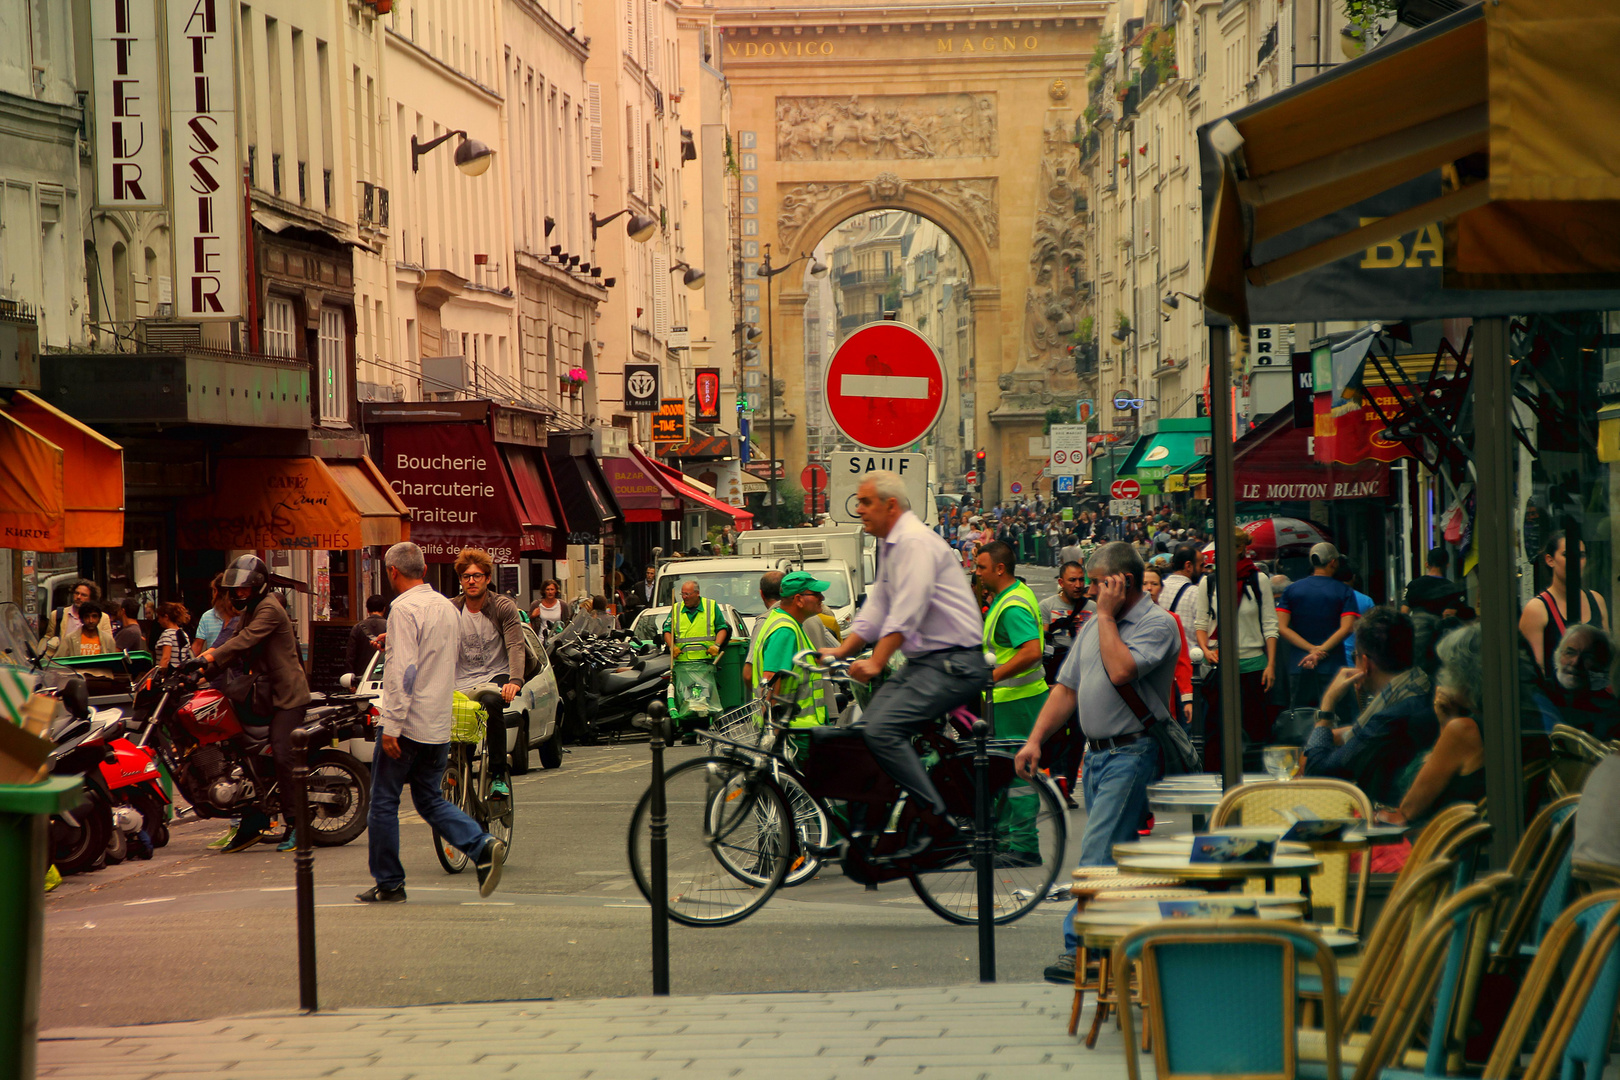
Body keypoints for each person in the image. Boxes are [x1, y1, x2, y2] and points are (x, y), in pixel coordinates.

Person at [1014, 542, 1180, 985]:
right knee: (1119, 857)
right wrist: (1035, 740)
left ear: (1120, 581)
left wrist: (1106, 617)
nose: (1089, 590)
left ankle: (1083, 949)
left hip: (1133, 751)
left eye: (1096, 582)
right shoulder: (1092, 626)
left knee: (1097, 851)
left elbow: (1123, 670)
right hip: (1099, 755)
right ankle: (1129, 946)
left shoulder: (1155, 624)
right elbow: (1066, 689)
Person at [824, 471, 991, 860]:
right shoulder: (890, 545)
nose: (859, 509)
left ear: (891, 505)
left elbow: (907, 610)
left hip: (954, 663)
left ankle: (939, 821)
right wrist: (843, 650)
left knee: (882, 730)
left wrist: (877, 659)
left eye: (865, 502)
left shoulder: (915, 543)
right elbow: (879, 604)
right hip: (928, 664)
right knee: (866, 730)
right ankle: (871, 833)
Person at [358, 542, 506, 902]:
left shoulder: (403, 608)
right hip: (439, 722)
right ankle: (481, 845)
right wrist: (392, 642)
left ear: (393, 571)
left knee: (382, 802)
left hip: (408, 722)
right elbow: (435, 653)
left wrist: (391, 724)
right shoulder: (445, 607)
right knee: (428, 798)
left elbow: (405, 671)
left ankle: (389, 882)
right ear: (423, 570)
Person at [199, 556, 311, 854]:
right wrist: (197, 671)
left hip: (287, 697)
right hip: (262, 696)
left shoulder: (270, 609)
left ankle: (298, 824)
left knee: (283, 754)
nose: (238, 595)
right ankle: (253, 823)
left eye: (244, 590)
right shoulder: (250, 611)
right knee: (241, 751)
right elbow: (231, 646)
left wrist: (206, 658)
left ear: (258, 587)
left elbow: (243, 642)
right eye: (235, 591)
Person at [1301, 606, 1439, 807]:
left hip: (1386, 815)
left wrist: (1326, 708)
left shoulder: (1391, 718)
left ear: (1364, 663)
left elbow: (1317, 771)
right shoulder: (1423, 689)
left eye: (1355, 654)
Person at [974, 541, 1049, 864]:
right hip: (1009, 701)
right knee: (1005, 772)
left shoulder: (1012, 605)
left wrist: (994, 677)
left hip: (1016, 701)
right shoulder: (1008, 597)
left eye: (981, 567)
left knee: (1018, 774)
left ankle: (1024, 846)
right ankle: (1004, 841)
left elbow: (1031, 651)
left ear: (999, 569)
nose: (976, 574)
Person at [1379, 623, 1485, 826]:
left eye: (1449, 668)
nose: (1443, 676)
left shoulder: (1463, 730)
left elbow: (1408, 810)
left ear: (1465, 674)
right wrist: (1445, 723)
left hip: (1448, 848)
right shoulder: (1491, 721)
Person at [1193, 530, 1279, 768]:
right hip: (1221, 668)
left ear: (1241, 549)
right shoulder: (1209, 582)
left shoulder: (1257, 580)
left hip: (1254, 667)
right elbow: (1200, 625)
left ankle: (1258, 783)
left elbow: (1270, 625)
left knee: (1257, 732)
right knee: (1216, 732)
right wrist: (1206, 650)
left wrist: (1271, 665)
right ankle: (1215, 785)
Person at [450, 548, 528, 801]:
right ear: (460, 580)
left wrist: (515, 681)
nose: (471, 581)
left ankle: (497, 775)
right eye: (465, 576)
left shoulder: (502, 606)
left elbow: (516, 645)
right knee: (458, 724)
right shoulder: (450, 609)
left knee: (492, 705)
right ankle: (457, 770)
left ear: (487, 578)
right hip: (461, 680)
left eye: (477, 575)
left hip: (496, 675)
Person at [1276, 543, 1360, 725]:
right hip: (1333, 667)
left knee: (1301, 721)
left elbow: (1282, 627)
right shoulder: (1344, 591)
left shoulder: (1292, 590)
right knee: (1338, 720)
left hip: (1299, 665)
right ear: (1332, 562)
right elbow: (1347, 628)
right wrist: (1320, 650)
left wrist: (1310, 650)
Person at [749, 571, 831, 752]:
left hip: (796, 729)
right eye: (816, 594)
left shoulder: (787, 622)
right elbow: (771, 679)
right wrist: (772, 732)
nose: (822, 597)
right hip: (794, 733)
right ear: (798, 599)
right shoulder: (785, 629)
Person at [1519, 531, 1609, 683]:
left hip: (1597, 698)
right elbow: (1534, 673)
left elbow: (1607, 657)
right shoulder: (1537, 609)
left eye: (1581, 555)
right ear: (1550, 560)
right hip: (1560, 700)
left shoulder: (1596, 600)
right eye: (1567, 555)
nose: (1576, 561)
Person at [663, 580, 731, 744]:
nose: (684, 597)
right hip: (683, 665)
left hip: (705, 664)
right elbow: (667, 630)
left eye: (687, 594)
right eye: (682, 594)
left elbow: (722, 627)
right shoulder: (677, 609)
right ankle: (690, 730)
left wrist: (716, 645)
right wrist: (673, 647)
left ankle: (705, 726)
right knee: (686, 697)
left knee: (703, 696)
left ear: (697, 594)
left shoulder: (710, 606)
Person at [1546, 623, 1619, 739]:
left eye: (1588, 657)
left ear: (1603, 664)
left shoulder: (1611, 712)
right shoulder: (1539, 694)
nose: (1576, 662)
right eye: (1570, 652)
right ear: (1558, 655)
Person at [1143, 569, 1194, 725]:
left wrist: (1187, 698)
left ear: (1161, 588)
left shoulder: (1172, 619)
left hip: (1164, 693)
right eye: (1144, 583)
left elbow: (1182, 659)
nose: (1149, 588)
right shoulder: (1125, 618)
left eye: (1154, 584)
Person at [42, 579, 98, 657]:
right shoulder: (58, 614)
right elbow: (48, 638)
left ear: (91, 599)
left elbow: (106, 644)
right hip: (64, 663)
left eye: (83, 595)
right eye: (76, 593)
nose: (78, 597)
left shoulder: (102, 618)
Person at [1335, 561, 1376, 666]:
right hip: (1357, 656)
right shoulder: (1366, 600)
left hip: (1332, 655)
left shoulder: (1329, 598)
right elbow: (1373, 630)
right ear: (1353, 577)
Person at [1402, 547, 1464, 617]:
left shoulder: (1413, 585)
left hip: (1419, 626)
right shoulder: (1452, 588)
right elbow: (1452, 614)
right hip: (1440, 627)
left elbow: (1404, 611)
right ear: (1447, 565)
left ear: (1426, 564)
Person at [1159, 544, 1202, 633]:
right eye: (1201, 565)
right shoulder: (1196, 593)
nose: (1204, 570)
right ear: (1188, 566)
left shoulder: (1158, 588)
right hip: (1189, 646)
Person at [346, 595, 388, 678]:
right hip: (384, 676)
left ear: (367, 610)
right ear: (384, 609)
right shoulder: (390, 626)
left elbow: (350, 656)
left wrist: (351, 679)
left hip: (361, 677)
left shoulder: (357, 627)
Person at [154, 603, 193, 669]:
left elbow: (166, 658)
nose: (158, 621)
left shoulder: (167, 634)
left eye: (159, 617)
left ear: (166, 617)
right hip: (180, 674)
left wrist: (158, 674)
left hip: (169, 675)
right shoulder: (184, 634)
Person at [196, 574, 230, 649]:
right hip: (212, 658)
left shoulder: (239, 615)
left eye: (214, 590)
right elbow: (198, 645)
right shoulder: (207, 616)